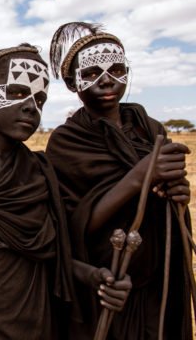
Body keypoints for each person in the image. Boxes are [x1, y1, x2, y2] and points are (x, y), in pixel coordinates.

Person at [0, 44, 131, 339]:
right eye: (16, 92)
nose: (31, 106)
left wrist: (92, 276)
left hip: (38, 325)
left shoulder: (39, 170)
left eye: (39, 99)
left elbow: (50, 256)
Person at [46, 22, 193, 339]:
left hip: (159, 279)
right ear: (72, 84)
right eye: (91, 74)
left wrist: (179, 194)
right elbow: (75, 223)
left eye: (116, 70)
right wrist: (138, 176)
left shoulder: (149, 128)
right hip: (108, 282)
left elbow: (165, 198)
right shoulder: (67, 140)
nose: (106, 81)